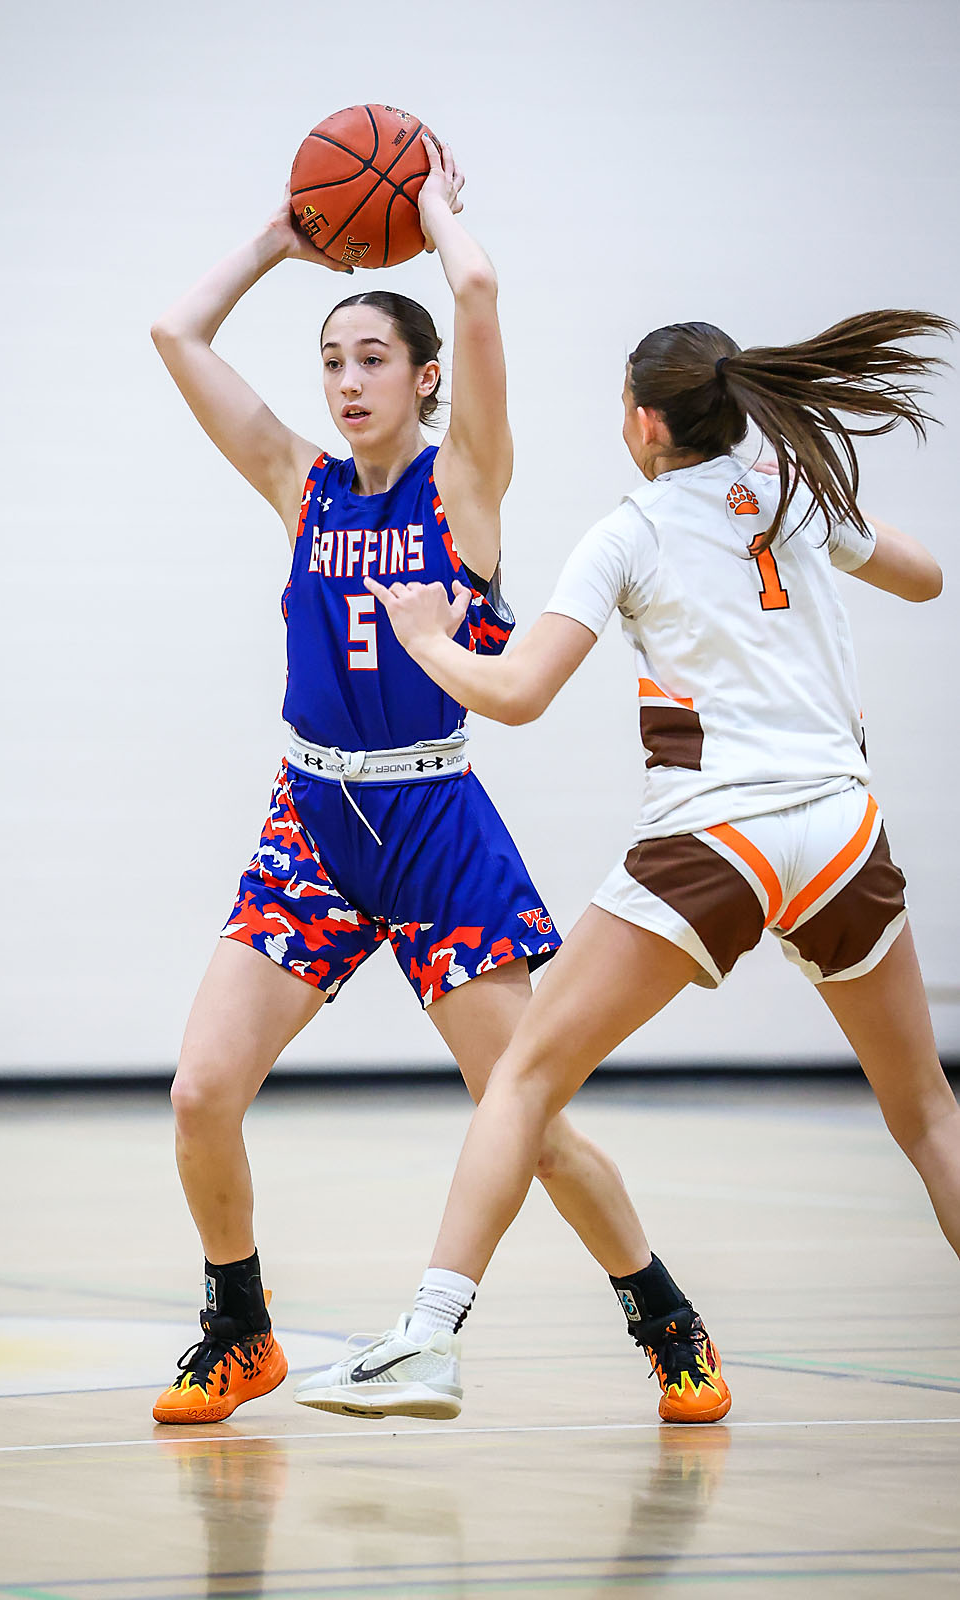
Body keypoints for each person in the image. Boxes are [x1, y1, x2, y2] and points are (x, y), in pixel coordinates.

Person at [148, 140, 728, 1426]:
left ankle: (661, 1313)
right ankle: (237, 1327)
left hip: (433, 825)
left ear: (420, 384)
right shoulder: (296, 483)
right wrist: (278, 240)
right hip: (311, 819)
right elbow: (174, 330)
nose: (347, 382)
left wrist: (429, 215)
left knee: (522, 1109)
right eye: (331, 362)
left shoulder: (460, 486)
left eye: (371, 362)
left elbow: (475, 302)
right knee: (200, 1091)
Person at [293, 309, 958, 1422]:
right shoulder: (790, 493)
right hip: (843, 833)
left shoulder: (631, 528)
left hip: (716, 839)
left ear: (644, 421)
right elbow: (927, 576)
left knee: (525, 1078)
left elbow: (514, 695)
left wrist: (420, 633)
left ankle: (427, 1337)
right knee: (926, 1114)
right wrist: (811, 506)